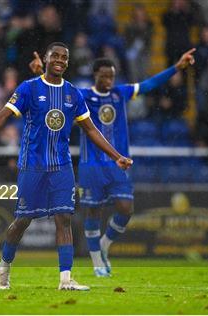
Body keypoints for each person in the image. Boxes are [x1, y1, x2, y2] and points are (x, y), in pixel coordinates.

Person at [0, 42, 133, 291]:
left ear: (67, 62)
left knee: (64, 219)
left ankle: (65, 279)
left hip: (61, 166)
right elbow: (5, 113)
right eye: (55, 56)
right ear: (47, 59)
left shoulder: (73, 94)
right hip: (32, 166)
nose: (60, 59)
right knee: (22, 221)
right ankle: (4, 267)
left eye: (64, 57)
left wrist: (116, 156)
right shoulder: (29, 88)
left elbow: (91, 129)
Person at [29, 48, 196, 277]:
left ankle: (105, 244)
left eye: (111, 77)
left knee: (126, 209)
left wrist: (177, 67)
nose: (108, 81)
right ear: (95, 75)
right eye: (104, 76)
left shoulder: (120, 94)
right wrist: (41, 72)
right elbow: (57, 89)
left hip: (118, 164)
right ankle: (97, 261)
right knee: (93, 212)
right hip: (91, 164)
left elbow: (149, 85)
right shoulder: (83, 96)